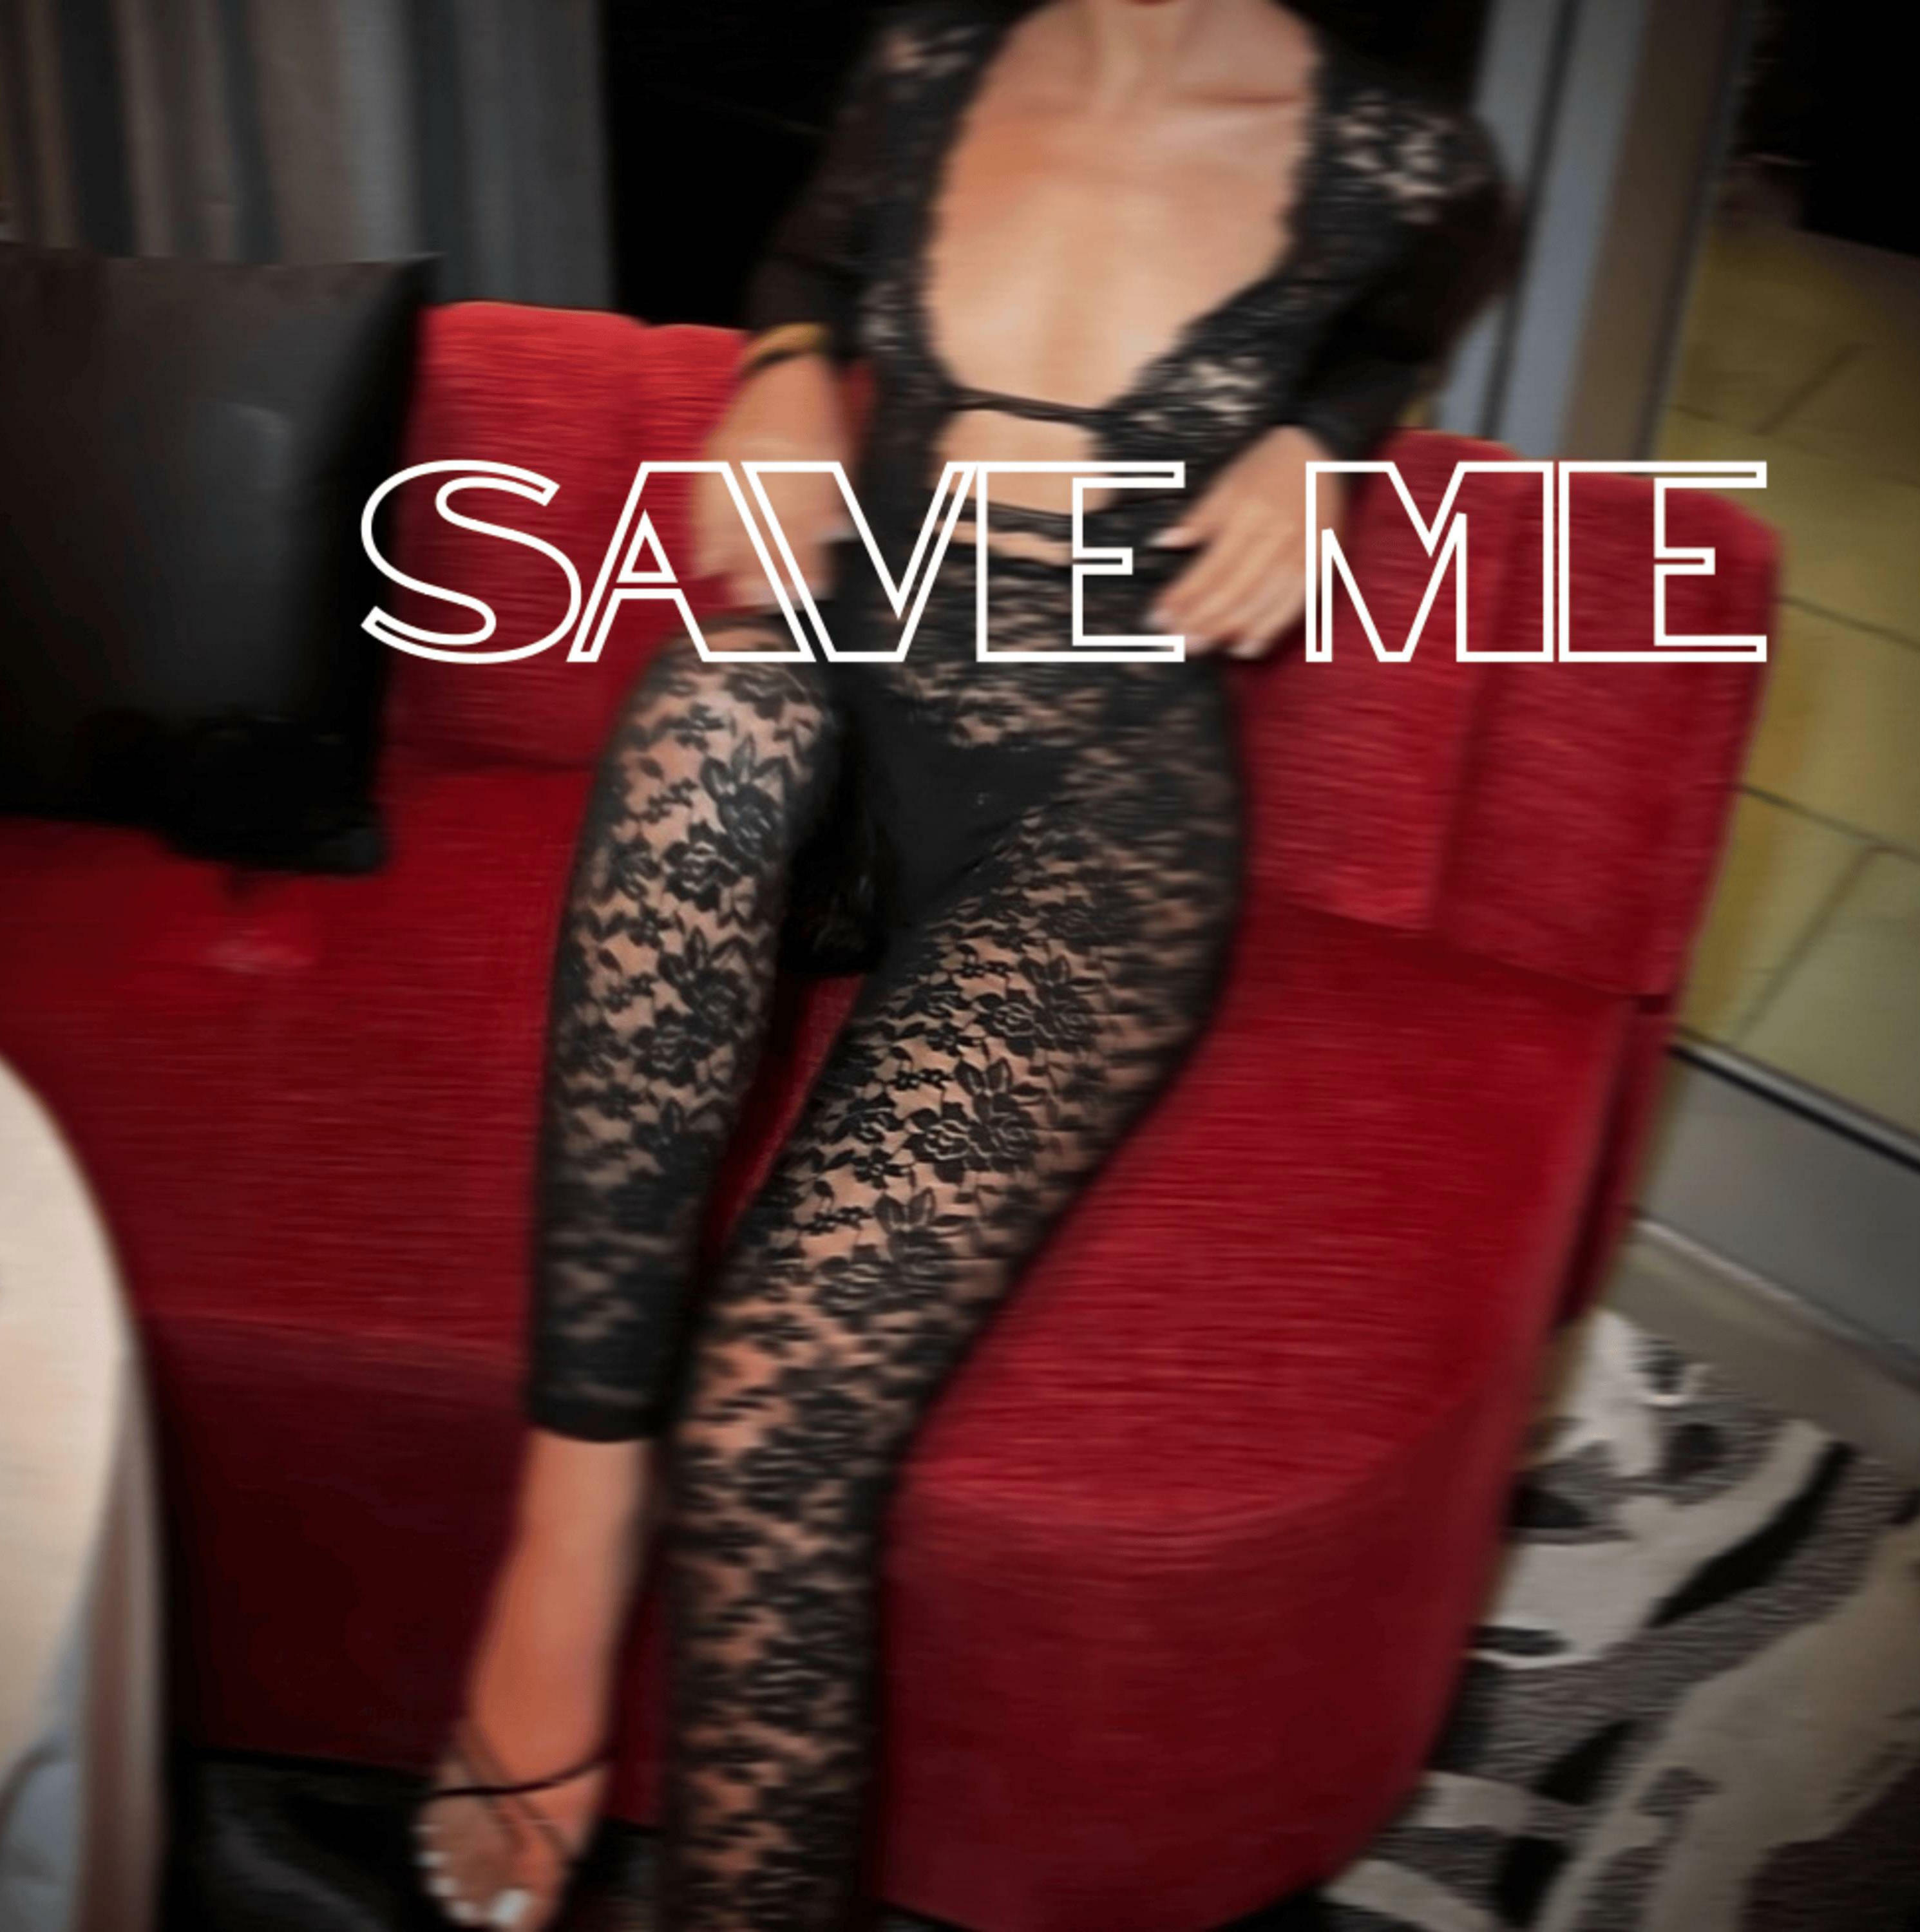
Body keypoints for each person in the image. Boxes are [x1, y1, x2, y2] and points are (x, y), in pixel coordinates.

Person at [415, 1, 1509, 1925]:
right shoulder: (930, 61)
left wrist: (1326, 444)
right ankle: (566, 1537)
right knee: (720, 707)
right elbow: (809, 261)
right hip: (842, 709)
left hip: (1092, 808)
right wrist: (781, 371)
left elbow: (1392, 335)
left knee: (770, 1435)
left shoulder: (1406, 162)